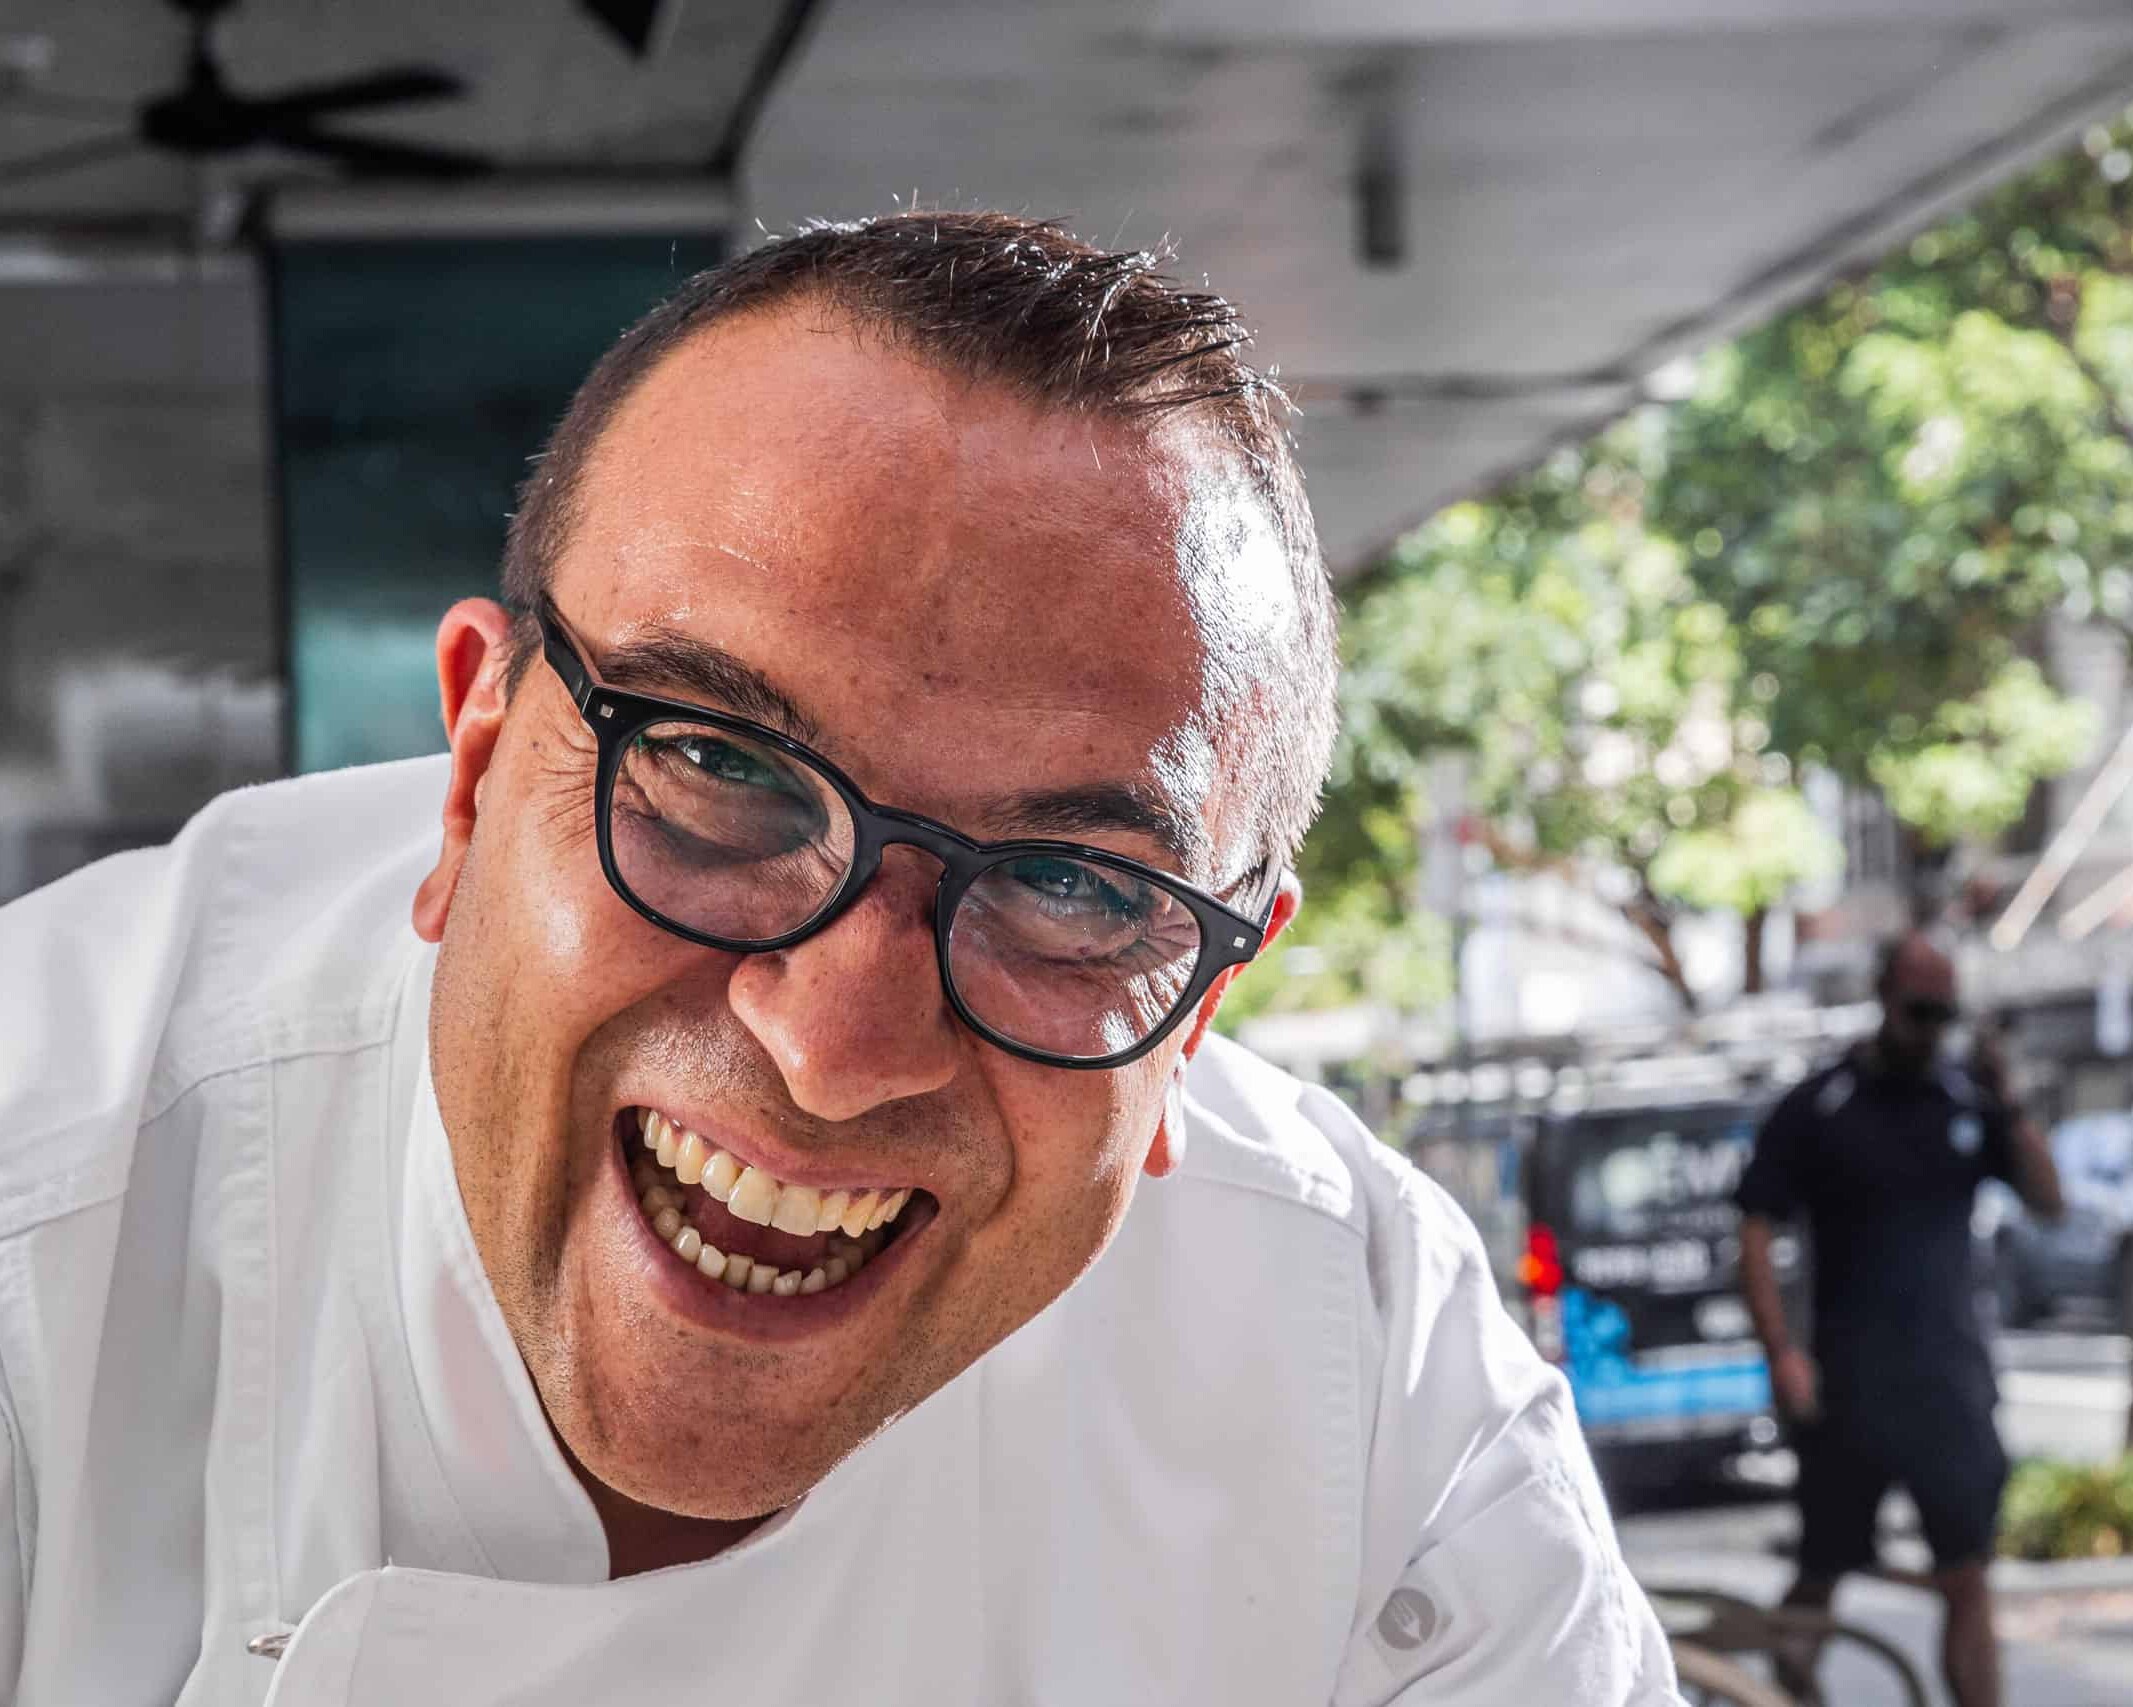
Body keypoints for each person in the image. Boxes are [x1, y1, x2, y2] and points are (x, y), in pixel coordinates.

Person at [0, 213, 1679, 1704]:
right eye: (719, 769)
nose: (836, 1042)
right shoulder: (44, 1214)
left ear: (1197, 1011)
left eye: (1072, 890)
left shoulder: (1358, 1375)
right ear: (472, 767)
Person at [1737, 932, 2063, 1707]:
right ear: (1884, 997)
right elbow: (1754, 1226)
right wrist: (1779, 1350)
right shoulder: (1821, 1104)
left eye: (1943, 1012)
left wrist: (2006, 1095)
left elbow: (2050, 1201)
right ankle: (1790, 1690)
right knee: (1822, 1569)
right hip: (1846, 1384)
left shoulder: (1965, 1100)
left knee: (1966, 1576)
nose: (1930, 1027)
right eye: (1918, 1009)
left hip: (1948, 1383)